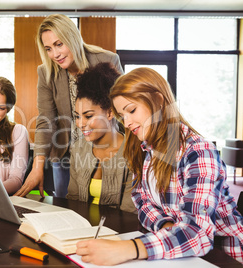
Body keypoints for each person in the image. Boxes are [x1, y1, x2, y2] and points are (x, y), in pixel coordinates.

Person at [76, 67, 243, 265]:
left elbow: (197, 233)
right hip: (181, 253)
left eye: (131, 110)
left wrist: (129, 248)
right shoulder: (146, 151)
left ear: (159, 100)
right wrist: (167, 225)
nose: (127, 122)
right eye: (123, 115)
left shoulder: (198, 152)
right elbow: (141, 201)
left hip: (223, 258)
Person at [15, 14, 124, 198]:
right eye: (48, 48)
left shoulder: (107, 60)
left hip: (105, 149)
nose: (55, 54)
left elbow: (123, 108)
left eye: (59, 44)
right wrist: (37, 167)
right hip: (66, 155)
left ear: (72, 38)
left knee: (105, 201)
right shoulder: (46, 72)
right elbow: (46, 120)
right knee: (67, 207)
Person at [66, 62, 135, 213]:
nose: (80, 123)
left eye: (88, 116)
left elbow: (129, 212)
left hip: (117, 233)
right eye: (77, 116)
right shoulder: (78, 148)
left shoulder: (132, 152)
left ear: (110, 113)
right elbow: (73, 200)